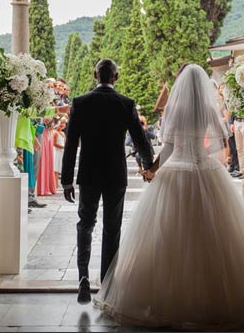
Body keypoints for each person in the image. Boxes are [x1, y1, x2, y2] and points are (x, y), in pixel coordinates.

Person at [93, 64, 244, 329]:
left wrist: (152, 170)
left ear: (182, 85)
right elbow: (220, 143)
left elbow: (170, 147)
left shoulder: (175, 109)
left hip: (177, 171)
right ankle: (214, 299)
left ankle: (166, 299)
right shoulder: (209, 109)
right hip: (206, 169)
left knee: (169, 234)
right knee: (213, 236)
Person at [61, 59, 154, 305]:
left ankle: (82, 277)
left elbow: (70, 144)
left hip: (89, 174)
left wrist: (67, 181)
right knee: (112, 229)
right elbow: (141, 140)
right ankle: (107, 283)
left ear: (95, 75)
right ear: (116, 77)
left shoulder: (80, 103)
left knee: (85, 223)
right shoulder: (125, 104)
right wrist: (149, 164)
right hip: (115, 174)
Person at [36, 118, 57, 196]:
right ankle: (41, 187)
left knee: (48, 159)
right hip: (41, 131)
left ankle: (47, 186)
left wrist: (52, 123)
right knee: (43, 158)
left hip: (48, 132)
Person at [52, 117, 67, 191]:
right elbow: (54, 143)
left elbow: (65, 142)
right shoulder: (55, 132)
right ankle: (56, 184)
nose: (62, 125)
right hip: (56, 151)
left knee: (59, 167)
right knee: (56, 168)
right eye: (61, 123)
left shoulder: (63, 133)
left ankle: (57, 183)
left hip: (61, 152)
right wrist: (63, 147)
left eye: (64, 123)